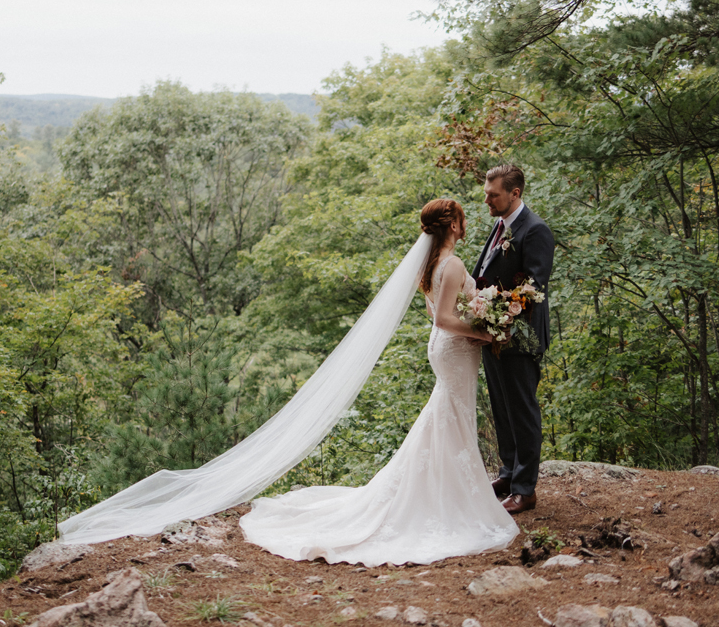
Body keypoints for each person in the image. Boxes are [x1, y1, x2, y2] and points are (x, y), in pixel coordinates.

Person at [237, 199, 519, 566]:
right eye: (462, 219)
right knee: (452, 414)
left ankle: (444, 488)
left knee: (446, 414)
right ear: (453, 225)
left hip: (445, 348)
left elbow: (433, 310)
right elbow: (443, 319)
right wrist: (483, 333)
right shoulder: (452, 264)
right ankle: (449, 496)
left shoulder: (432, 263)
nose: (464, 225)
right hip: (454, 348)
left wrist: (475, 320)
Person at [472, 165, 555, 515]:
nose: (487, 200)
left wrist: (498, 314)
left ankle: (525, 489)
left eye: (493, 195)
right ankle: (508, 474)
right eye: (486, 194)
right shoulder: (501, 225)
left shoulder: (535, 230)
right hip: (493, 335)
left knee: (522, 412)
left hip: (520, 337)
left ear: (514, 193)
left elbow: (534, 287)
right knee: (502, 409)